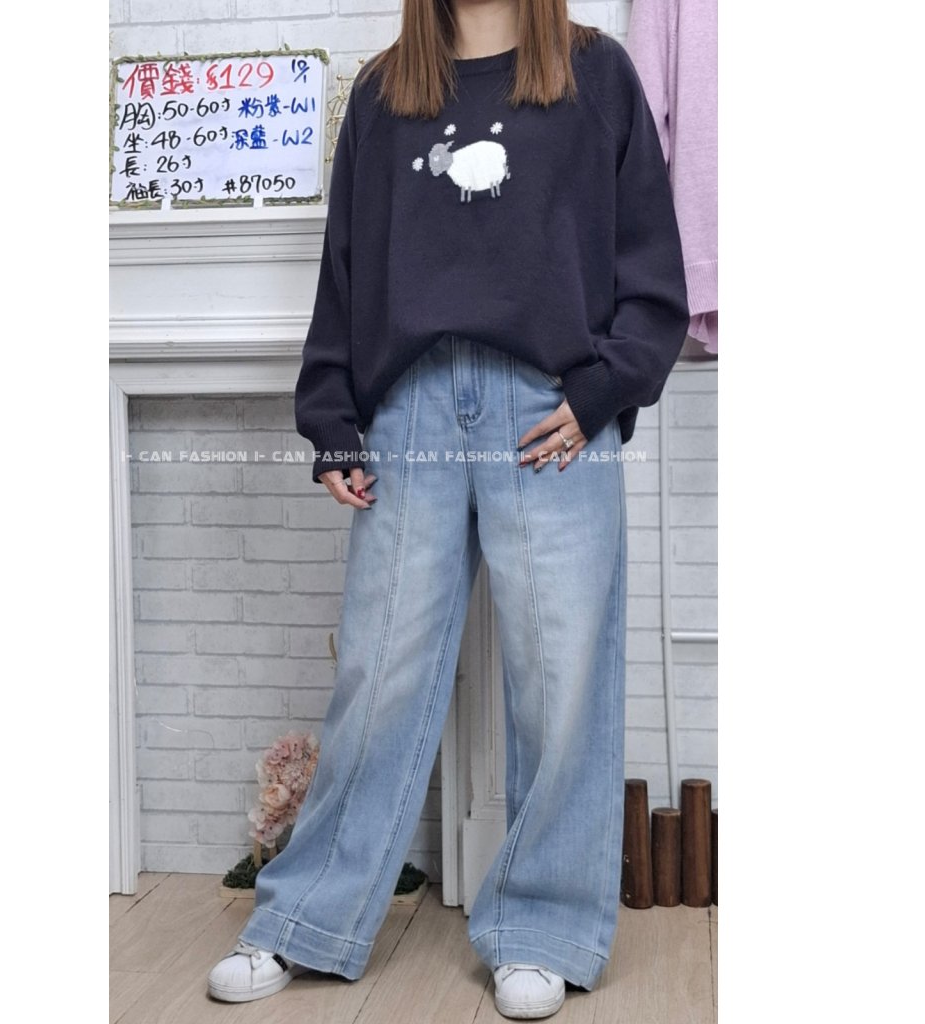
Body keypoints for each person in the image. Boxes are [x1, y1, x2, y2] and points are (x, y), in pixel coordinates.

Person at [208, 0, 689, 1018]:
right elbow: (344, 270)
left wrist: (602, 390)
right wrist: (333, 418)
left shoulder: (596, 76)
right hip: (410, 407)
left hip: (549, 409)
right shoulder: (385, 94)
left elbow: (651, 267)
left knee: (561, 679)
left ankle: (544, 927)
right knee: (378, 673)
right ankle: (307, 917)